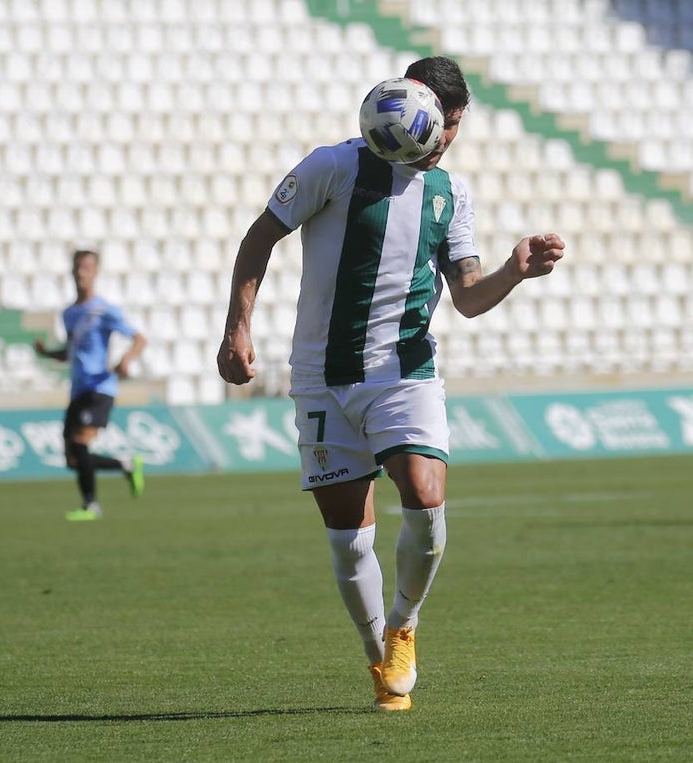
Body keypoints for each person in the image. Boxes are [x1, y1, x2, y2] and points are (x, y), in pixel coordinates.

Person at [216, 57, 565, 711]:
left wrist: (515, 270)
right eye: (445, 121)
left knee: (425, 499)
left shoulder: (452, 196)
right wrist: (238, 327)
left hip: (404, 372)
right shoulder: (332, 167)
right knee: (350, 541)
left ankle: (404, 622)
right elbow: (258, 238)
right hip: (322, 377)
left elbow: (466, 295)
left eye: (456, 124)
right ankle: (381, 657)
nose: (449, 135)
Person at [34, 249, 148, 521]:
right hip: (78, 388)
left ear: (95, 271)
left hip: (100, 386)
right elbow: (72, 351)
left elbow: (139, 338)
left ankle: (91, 506)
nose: (80, 272)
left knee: (80, 441)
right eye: (77, 267)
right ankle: (126, 464)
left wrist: (126, 360)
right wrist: (48, 353)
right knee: (73, 459)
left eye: (86, 267)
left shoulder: (104, 310)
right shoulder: (69, 314)